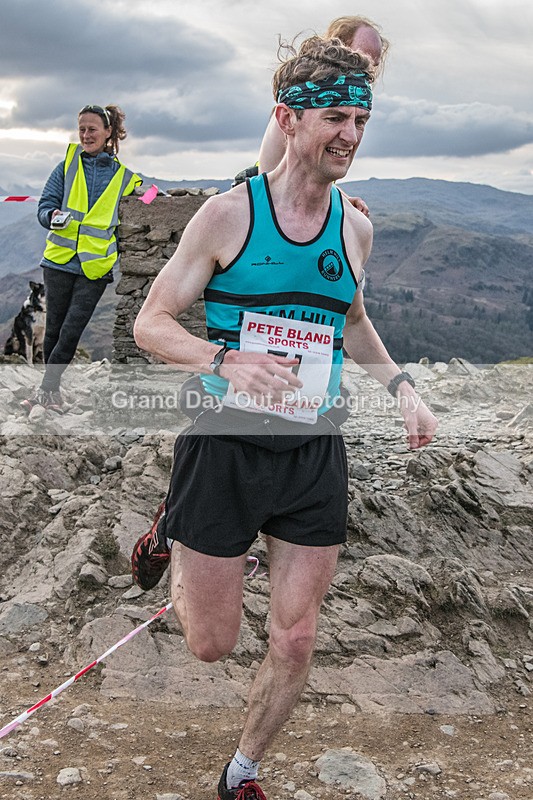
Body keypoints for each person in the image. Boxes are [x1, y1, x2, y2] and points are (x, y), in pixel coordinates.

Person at [131, 36, 437, 800]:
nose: (350, 136)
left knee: (295, 635)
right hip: (224, 444)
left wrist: (401, 387)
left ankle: (243, 771)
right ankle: (173, 525)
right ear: (287, 119)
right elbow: (151, 321)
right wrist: (221, 360)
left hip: (311, 451)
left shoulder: (355, 227)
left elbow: (353, 320)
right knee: (210, 644)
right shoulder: (228, 214)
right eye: (335, 116)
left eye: (361, 121)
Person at [22, 104, 141, 413]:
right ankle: (52, 392)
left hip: (95, 266)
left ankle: (45, 391)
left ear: (108, 133)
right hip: (59, 260)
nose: (86, 135)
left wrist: (171, 197)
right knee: (54, 331)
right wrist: (53, 215)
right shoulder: (66, 166)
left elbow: (150, 196)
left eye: (92, 129)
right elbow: (44, 207)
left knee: (72, 330)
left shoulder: (125, 177)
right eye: (82, 129)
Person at [233, 14, 388, 218]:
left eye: (373, 64)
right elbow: (273, 180)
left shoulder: (348, 102)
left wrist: (341, 198)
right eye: (362, 56)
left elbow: (310, 179)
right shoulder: (299, 104)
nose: (368, 69)